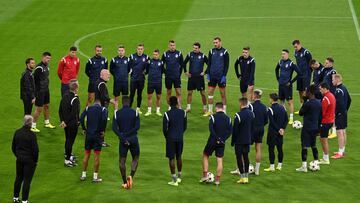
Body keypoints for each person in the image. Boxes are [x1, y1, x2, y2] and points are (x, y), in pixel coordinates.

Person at [200, 102, 232, 186]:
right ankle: (217, 180)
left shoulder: (213, 117)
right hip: (222, 142)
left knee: (205, 155)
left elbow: (211, 129)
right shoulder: (228, 118)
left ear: (216, 108)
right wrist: (222, 139)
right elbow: (230, 132)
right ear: (223, 108)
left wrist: (217, 138)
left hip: (212, 140)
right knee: (219, 160)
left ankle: (205, 176)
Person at [112, 96, 140, 189]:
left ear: (122, 103)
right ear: (130, 102)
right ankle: (131, 176)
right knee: (135, 158)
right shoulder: (135, 112)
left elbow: (114, 128)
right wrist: (129, 135)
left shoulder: (117, 113)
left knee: (122, 160)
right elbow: (137, 127)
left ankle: (124, 182)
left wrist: (123, 137)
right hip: (133, 139)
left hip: (123, 140)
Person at [79, 99, 108, 182]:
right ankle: (95, 177)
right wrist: (102, 130)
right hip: (97, 135)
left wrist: (84, 129)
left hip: (89, 135)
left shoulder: (88, 108)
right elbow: (104, 119)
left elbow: (81, 118)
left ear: (94, 103)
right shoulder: (103, 109)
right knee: (96, 155)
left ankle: (83, 175)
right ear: (100, 104)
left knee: (87, 154)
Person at [12, 115, 39, 203]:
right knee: (27, 181)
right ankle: (24, 201)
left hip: (19, 159)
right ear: (31, 123)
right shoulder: (32, 135)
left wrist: (18, 155)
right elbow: (35, 150)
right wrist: (35, 161)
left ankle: (15, 198)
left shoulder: (17, 132)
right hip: (29, 161)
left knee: (18, 178)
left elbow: (13, 147)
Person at [296, 85, 321, 172]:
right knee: (314, 145)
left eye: (306, 91)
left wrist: (304, 101)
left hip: (307, 128)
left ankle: (304, 167)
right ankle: (316, 164)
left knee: (304, 146)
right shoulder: (319, 103)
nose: (305, 92)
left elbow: (300, 113)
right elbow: (320, 117)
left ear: (309, 93)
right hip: (315, 127)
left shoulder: (308, 103)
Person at [163, 96, 187, 186]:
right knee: (179, 156)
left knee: (171, 158)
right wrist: (180, 133)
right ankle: (179, 176)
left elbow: (164, 129)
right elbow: (185, 126)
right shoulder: (183, 112)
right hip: (180, 138)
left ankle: (174, 180)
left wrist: (168, 137)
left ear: (169, 103)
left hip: (171, 138)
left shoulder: (167, 114)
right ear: (177, 103)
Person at [204, 37, 229, 116]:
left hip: (220, 77)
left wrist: (224, 76)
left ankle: (224, 111)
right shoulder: (211, 51)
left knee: (222, 94)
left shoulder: (225, 52)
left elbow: (226, 65)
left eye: (216, 42)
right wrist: (208, 74)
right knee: (210, 93)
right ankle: (210, 110)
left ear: (220, 42)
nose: (215, 44)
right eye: (214, 43)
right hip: (212, 76)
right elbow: (209, 63)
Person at [31, 52, 56, 132]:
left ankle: (47, 122)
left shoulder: (46, 66)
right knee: (39, 108)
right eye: (47, 58)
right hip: (40, 91)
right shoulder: (39, 68)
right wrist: (35, 94)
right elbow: (34, 81)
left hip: (46, 90)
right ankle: (33, 125)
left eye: (49, 59)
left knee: (47, 106)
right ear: (43, 57)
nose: (48, 60)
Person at [231, 97, 254, 184]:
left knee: (239, 157)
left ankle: (242, 177)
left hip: (239, 140)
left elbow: (235, 130)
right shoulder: (251, 114)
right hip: (247, 139)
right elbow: (252, 128)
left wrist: (233, 141)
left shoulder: (238, 115)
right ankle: (247, 177)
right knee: (246, 157)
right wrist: (251, 139)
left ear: (241, 104)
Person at [264, 93, 288, 172]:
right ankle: (280, 165)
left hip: (272, 132)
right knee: (280, 148)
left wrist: (278, 129)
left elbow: (272, 121)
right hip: (280, 133)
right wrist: (282, 129)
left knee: (271, 149)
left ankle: (272, 167)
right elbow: (286, 120)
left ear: (271, 99)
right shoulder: (282, 108)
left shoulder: (270, 109)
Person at [59, 79, 80, 167]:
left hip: (66, 123)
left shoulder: (65, 95)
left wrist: (62, 121)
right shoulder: (75, 99)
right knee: (70, 141)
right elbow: (74, 113)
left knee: (68, 139)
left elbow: (60, 110)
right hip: (72, 123)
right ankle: (67, 160)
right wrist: (66, 122)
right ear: (76, 88)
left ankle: (69, 155)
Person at [275, 49, 300, 125]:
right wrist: (278, 78)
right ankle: (283, 115)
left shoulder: (291, 63)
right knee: (281, 100)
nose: (282, 55)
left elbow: (299, 73)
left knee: (289, 102)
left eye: (284, 54)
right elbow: (276, 69)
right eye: (282, 54)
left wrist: (291, 82)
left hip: (287, 86)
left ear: (287, 54)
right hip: (281, 85)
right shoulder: (280, 62)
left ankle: (291, 118)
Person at [183, 42, 208, 113]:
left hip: (199, 78)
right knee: (189, 93)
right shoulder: (190, 54)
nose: (194, 49)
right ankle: (188, 108)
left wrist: (205, 72)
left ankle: (205, 108)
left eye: (196, 48)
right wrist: (185, 71)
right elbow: (184, 63)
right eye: (194, 48)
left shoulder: (203, 56)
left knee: (202, 93)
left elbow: (209, 64)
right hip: (191, 77)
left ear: (199, 48)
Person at [331, 74, 351, 159]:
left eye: (333, 80)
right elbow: (349, 100)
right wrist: (345, 110)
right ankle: (342, 150)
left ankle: (340, 152)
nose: (332, 82)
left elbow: (339, 104)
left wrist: (336, 113)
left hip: (340, 114)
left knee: (340, 133)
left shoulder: (338, 90)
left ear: (337, 80)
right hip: (344, 113)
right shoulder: (344, 88)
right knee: (343, 131)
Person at [249, 89, 268, 175]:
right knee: (258, 148)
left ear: (255, 96)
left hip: (252, 129)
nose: (251, 96)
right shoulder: (265, 107)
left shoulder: (251, 106)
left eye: (252, 95)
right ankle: (257, 170)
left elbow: (248, 118)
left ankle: (241, 169)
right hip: (261, 129)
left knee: (244, 149)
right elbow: (266, 121)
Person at [162, 40, 184, 109]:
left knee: (178, 92)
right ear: (169, 46)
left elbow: (182, 65)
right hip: (168, 77)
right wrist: (165, 72)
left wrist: (179, 73)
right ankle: (170, 107)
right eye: (171, 45)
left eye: (173, 45)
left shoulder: (179, 54)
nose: (172, 47)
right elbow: (162, 65)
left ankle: (179, 107)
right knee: (169, 92)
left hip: (176, 76)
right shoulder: (165, 54)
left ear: (175, 46)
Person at [95, 69, 114, 147]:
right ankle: (101, 141)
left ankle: (97, 140)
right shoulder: (102, 84)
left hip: (98, 106)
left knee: (98, 125)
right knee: (102, 125)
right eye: (107, 74)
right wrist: (110, 100)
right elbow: (103, 96)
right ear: (102, 75)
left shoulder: (98, 82)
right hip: (102, 108)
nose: (109, 76)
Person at [318, 82, 336, 165]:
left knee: (323, 140)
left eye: (321, 89)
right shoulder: (331, 95)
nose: (320, 90)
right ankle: (325, 157)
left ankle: (326, 159)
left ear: (325, 88)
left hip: (325, 122)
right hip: (330, 121)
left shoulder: (326, 98)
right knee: (323, 139)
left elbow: (322, 112)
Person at [129, 43, 149, 113]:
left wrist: (146, 73)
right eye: (138, 49)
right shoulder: (132, 56)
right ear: (136, 49)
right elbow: (128, 66)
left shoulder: (146, 57)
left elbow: (148, 67)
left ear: (143, 50)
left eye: (141, 49)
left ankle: (138, 108)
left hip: (141, 79)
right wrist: (130, 71)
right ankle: (129, 108)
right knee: (131, 94)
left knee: (139, 94)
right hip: (133, 79)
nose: (139, 50)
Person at [292, 40, 312, 111]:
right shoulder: (295, 52)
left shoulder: (306, 52)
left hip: (306, 74)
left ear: (299, 44)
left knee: (305, 91)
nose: (295, 48)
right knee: (300, 90)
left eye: (296, 46)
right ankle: (301, 106)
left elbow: (310, 62)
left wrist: (308, 72)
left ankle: (306, 106)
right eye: (294, 47)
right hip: (299, 74)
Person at [144, 49, 165, 117]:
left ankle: (158, 111)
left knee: (158, 97)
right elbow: (146, 71)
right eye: (154, 54)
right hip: (150, 82)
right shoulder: (149, 62)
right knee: (149, 97)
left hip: (158, 82)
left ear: (158, 55)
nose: (155, 56)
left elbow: (162, 71)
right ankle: (149, 111)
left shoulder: (161, 62)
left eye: (156, 55)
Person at [110, 45, 130, 110]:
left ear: (124, 51)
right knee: (116, 97)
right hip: (117, 82)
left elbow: (129, 69)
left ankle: (124, 110)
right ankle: (116, 111)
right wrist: (116, 75)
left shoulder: (128, 60)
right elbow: (111, 70)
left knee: (125, 97)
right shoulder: (114, 60)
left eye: (122, 51)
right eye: (119, 50)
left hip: (125, 82)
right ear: (117, 51)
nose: (120, 52)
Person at [322, 58, 337, 139]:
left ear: (331, 63)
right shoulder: (326, 70)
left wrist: (331, 93)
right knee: (328, 112)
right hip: (326, 94)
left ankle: (334, 131)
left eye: (327, 63)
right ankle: (328, 130)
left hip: (331, 94)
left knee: (332, 113)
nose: (325, 64)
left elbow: (334, 82)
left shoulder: (333, 71)